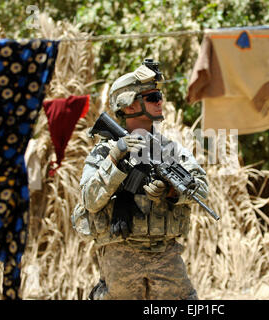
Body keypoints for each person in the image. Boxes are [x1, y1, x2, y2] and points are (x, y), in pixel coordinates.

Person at [79, 59, 209, 300]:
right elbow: (89, 200)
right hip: (121, 256)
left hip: (165, 256)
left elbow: (201, 191)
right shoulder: (106, 151)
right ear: (128, 106)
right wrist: (116, 158)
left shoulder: (170, 150)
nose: (160, 101)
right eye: (151, 97)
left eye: (159, 96)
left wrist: (171, 191)